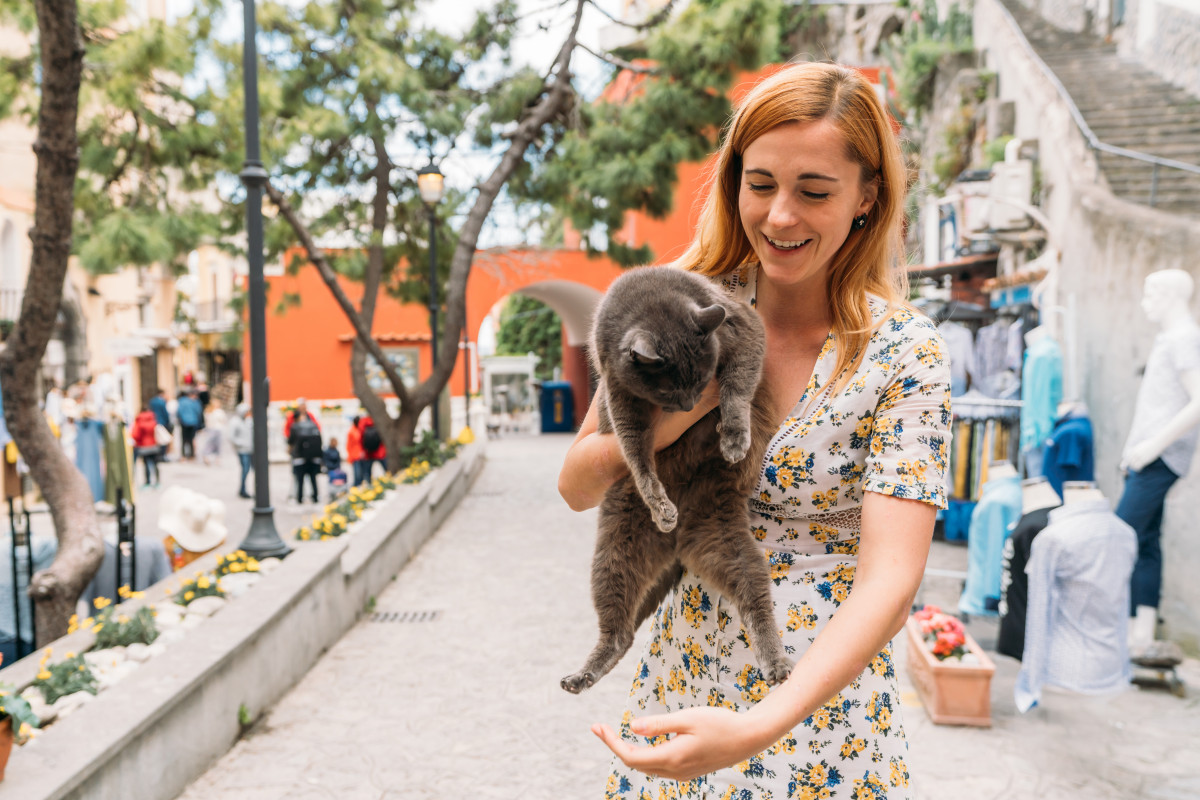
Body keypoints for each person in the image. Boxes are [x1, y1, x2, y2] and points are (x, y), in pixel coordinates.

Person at [559, 63, 950, 794]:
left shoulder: (906, 352)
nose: (779, 217)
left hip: (822, 719)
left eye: (814, 191)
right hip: (682, 693)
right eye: (761, 184)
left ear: (867, 196)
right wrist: (687, 412)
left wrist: (764, 722)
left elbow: (891, 581)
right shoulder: (679, 306)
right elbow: (577, 483)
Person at [1116, 269, 1200, 623]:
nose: (1144, 303)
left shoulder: (1184, 338)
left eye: (1150, 295)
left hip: (1159, 456)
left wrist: (1152, 447)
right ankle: (1141, 633)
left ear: (1170, 296)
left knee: (1119, 538)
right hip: (1147, 453)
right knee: (1146, 542)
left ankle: (1116, 628)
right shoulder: (1171, 338)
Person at [285, 398, 323, 504]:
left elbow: (290, 438)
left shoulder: (295, 425)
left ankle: (300, 497)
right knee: (312, 478)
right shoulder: (312, 423)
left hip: (299, 455)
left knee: (300, 478)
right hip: (312, 456)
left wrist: (290, 448)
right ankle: (315, 496)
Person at [130, 404, 161, 488]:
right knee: (155, 464)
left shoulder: (139, 421)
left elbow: (135, 434)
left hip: (144, 446)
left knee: (147, 464)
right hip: (154, 444)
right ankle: (158, 482)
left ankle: (148, 482)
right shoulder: (153, 420)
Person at [229, 403, 254, 499]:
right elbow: (231, 437)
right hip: (242, 450)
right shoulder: (235, 422)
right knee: (245, 470)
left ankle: (254, 489)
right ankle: (242, 490)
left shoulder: (248, 421)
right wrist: (242, 444)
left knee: (252, 470)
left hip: (250, 449)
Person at [358, 415, 386, 483]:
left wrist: (363, 450)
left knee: (367, 471)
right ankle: (389, 480)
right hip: (379, 452)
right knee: (386, 469)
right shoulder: (378, 422)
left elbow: (361, 439)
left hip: (368, 453)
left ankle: (368, 484)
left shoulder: (363, 423)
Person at [176, 389, 203, 461]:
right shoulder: (196, 402)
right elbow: (199, 412)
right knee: (191, 439)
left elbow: (179, 411)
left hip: (184, 422)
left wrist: (180, 419)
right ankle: (191, 455)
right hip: (193, 422)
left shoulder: (182, 401)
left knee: (184, 440)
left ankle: (183, 455)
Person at [200, 400, 227, 466]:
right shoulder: (218, 412)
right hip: (216, 429)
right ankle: (214, 458)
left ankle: (210, 458)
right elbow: (224, 420)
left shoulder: (208, 411)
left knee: (210, 444)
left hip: (211, 429)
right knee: (216, 444)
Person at [346, 414, 365, 487]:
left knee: (362, 473)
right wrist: (350, 456)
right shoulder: (352, 431)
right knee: (357, 474)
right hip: (355, 455)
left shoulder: (360, 430)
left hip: (362, 455)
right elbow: (349, 445)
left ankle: (360, 486)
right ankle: (356, 488)